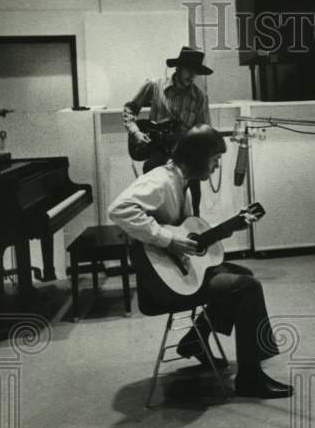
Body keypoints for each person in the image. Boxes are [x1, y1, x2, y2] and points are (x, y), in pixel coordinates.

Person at [108, 125, 293, 399]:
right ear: (197, 157)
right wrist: (167, 240)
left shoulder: (181, 180)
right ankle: (250, 378)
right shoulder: (160, 180)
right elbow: (118, 209)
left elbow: (188, 235)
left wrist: (228, 228)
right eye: (214, 159)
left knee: (241, 273)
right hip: (159, 286)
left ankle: (195, 340)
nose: (216, 166)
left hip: (171, 273)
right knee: (247, 287)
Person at [123, 46, 212, 216]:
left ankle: (192, 222)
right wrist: (136, 132)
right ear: (178, 68)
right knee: (153, 183)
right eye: (189, 70)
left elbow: (204, 130)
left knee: (192, 189)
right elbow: (130, 109)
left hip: (184, 152)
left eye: (195, 72)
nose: (192, 75)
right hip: (158, 149)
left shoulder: (200, 97)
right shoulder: (154, 85)